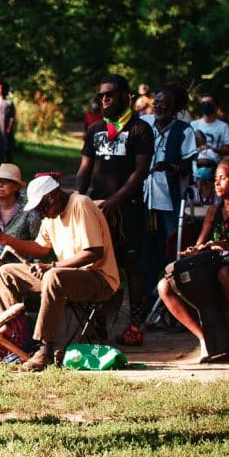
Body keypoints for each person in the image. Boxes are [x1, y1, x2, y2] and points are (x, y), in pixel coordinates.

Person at [0, 175, 120, 371]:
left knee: (53, 275)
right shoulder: (51, 215)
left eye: (42, 208)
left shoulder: (80, 204)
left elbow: (93, 253)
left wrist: (52, 266)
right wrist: (6, 239)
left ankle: (45, 349)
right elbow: (41, 247)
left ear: (54, 196)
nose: (41, 214)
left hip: (98, 278)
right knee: (6, 272)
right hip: (65, 277)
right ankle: (13, 343)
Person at [157, 159, 229, 362]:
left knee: (225, 274)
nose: (217, 183)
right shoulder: (213, 212)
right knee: (164, 286)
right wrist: (195, 250)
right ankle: (205, 340)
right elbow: (199, 245)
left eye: (222, 178)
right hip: (218, 267)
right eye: (215, 180)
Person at [76, 74, 152, 337]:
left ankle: (136, 323)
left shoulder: (140, 129)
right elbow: (85, 168)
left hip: (127, 206)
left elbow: (140, 172)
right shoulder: (95, 129)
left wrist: (116, 199)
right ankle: (98, 322)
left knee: (131, 263)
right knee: (97, 263)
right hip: (97, 208)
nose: (104, 99)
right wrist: (78, 199)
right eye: (101, 95)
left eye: (110, 94)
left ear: (125, 95)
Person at [129, 82, 197, 344]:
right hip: (143, 201)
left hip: (169, 202)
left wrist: (169, 166)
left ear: (176, 108)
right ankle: (145, 307)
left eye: (165, 104)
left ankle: (174, 309)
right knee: (145, 253)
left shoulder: (184, 130)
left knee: (172, 253)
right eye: (156, 102)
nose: (158, 107)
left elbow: (187, 167)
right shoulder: (144, 123)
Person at [0, 163, 42, 261]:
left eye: (5, 181)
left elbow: (38, 246)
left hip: (18, 264)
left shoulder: (30, 211)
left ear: (16, 187)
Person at [0, 82, 17, 162]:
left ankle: (8, 165)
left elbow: (12, 117)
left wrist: (9, 128)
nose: (0, 90)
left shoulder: (9, 103)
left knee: (7, 148)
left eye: (2, 88)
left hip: (5, 129)